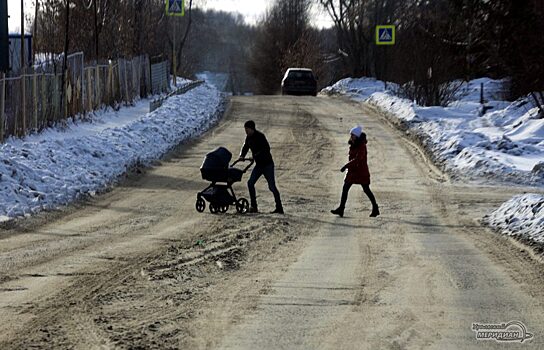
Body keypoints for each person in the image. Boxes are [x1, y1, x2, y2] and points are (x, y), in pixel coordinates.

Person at [331, 125, 379, 218]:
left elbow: (358, 159)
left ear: (357, 136)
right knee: (345, 188)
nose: (351, 137)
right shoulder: (353, 144)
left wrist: (346, 166)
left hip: (361, 172)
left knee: (366, 189)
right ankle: (341, 209)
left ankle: (375, 208)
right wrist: (348, 166)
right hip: (353, 171)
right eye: (351, 135)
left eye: (353, 135)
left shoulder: (362, 146)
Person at [238, 120, 284, 214]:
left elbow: (266, 149)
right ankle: (254, 206)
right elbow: (245, 147)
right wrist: (242, 155)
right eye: (245, 129)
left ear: (252, 129)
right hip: (258, 166)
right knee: (250, 183)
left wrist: (255, 156)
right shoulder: (248, 138)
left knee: (272, 187)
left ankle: (279, 207)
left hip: (267, 165)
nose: (246, 131)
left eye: (247, 129)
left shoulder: (260, 136)